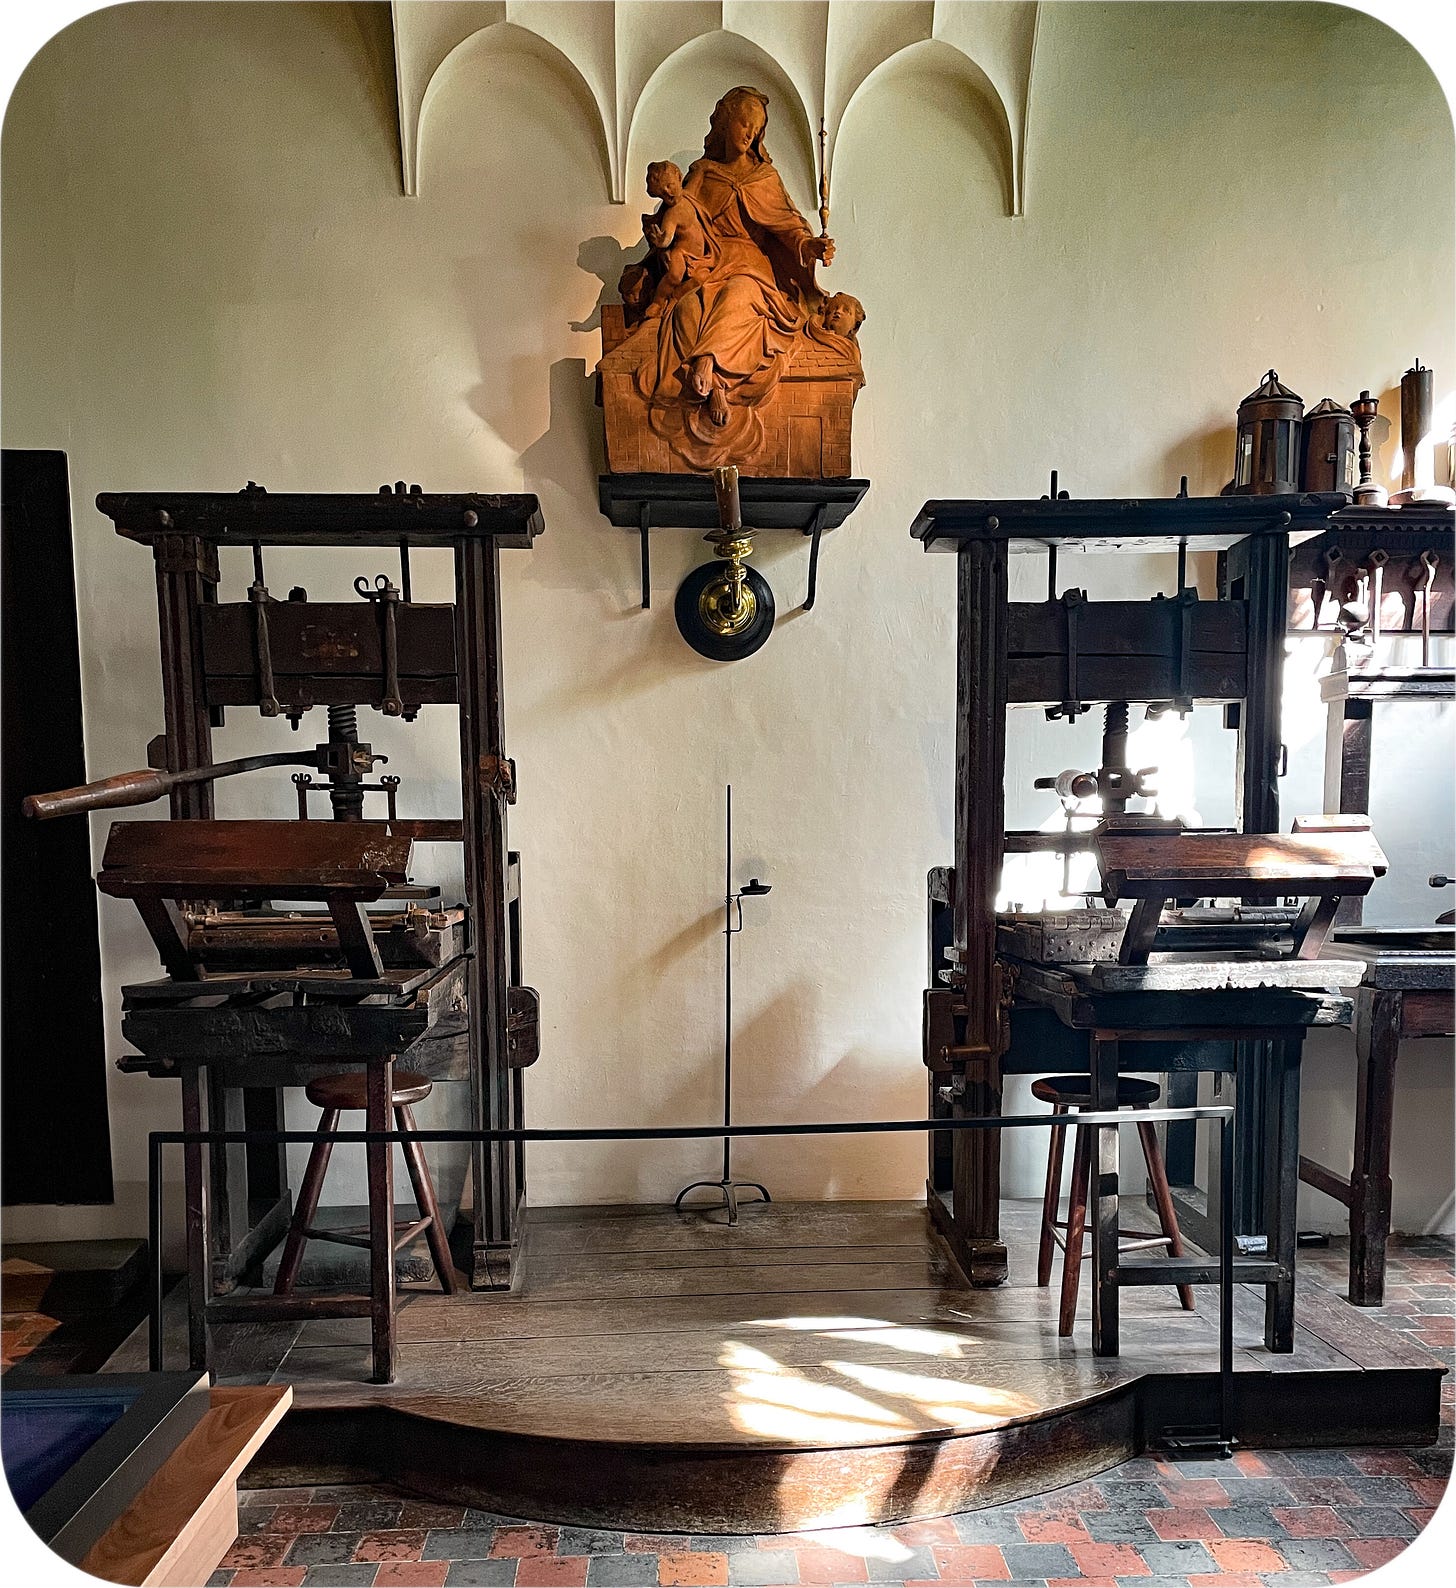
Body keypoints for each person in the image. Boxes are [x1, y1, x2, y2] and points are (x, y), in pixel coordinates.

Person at [633, 86, 837, 445]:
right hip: (708, 261)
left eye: (755, 130)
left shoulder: (765, 178)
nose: (748, 134)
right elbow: (678, 215)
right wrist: (649, 259)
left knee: (739, 296)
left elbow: (789, 227)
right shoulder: (703, 173)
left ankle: (708, 366)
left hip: (749, 265)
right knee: (688, 307)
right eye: (743, 123)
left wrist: (810, 244)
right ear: (725, 123)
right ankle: (715, 387)